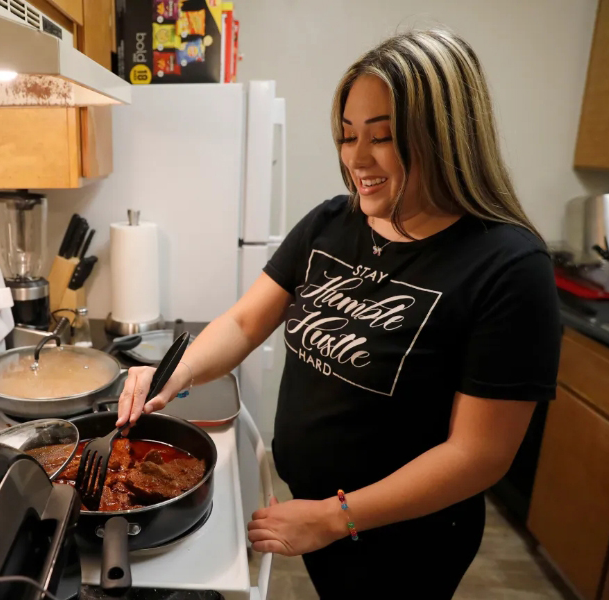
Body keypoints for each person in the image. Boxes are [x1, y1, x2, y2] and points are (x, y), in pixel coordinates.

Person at [115, 28, 561, 599]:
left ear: (447, 138)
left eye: (382, 137)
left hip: (403, 539)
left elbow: (477, 456)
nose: (356, 158)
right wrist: (174, 372)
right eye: (348, 136)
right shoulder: (333, 222)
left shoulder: (508, 266)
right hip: (318, 515)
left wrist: (334, 517)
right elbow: (245, 323)